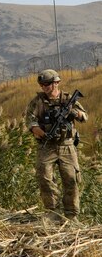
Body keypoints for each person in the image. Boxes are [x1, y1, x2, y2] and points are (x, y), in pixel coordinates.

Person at [24, 69, 88, 223]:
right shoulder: (37, 101)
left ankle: (72, 215)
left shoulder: (68, 99)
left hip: (66, 145)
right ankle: (53, 212)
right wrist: (37, 130)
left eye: (48, 84)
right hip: (47, 145)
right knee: (44, 177)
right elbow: (29, 119)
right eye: (42, 84)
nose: (45, 87)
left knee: (71, 179)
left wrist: (73, 112)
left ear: (56, 83)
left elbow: (84, 117)